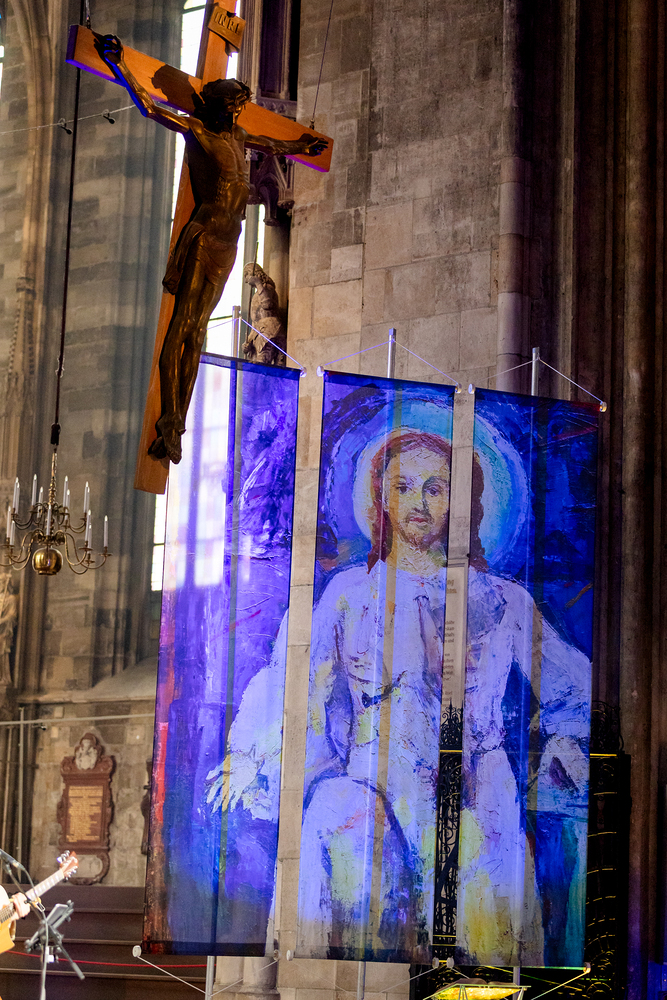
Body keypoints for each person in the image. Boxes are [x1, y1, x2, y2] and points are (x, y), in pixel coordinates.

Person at [98, 35, 328, 463]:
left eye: (238, 109)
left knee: (200, 331)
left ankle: (176, 423)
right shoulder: (199, 130)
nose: (234, 115)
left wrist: (302, 145)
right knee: (182, 327)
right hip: (204, 237)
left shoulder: (238, 135)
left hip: (229, 244)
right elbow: (151, 108)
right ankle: (169, 419)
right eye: (230, 108)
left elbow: (271, 145)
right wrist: (120, 64)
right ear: (216, 106)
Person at [296, 429, 452, 962]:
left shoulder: (491, 596)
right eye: (404, 487)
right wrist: (320, 773)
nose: (419, 502)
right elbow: (309, 695)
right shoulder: (348, 592)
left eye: (435, 488)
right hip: (368, 778)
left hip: (458, 789)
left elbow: (570, 687)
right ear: (382, 497)